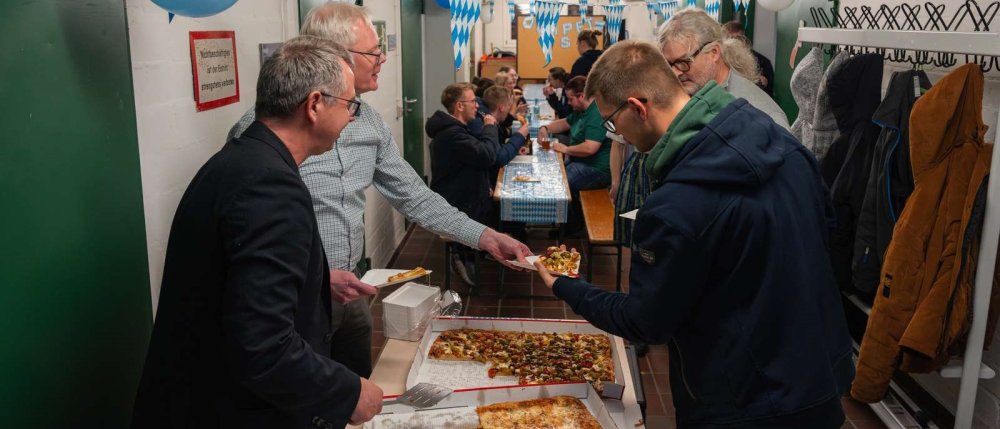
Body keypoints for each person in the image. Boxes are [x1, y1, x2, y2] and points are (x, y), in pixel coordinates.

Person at [534, 40, 853, 428]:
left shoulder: (675, 205)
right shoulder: (780, 141)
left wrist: (567, 286)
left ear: (637, 108)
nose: (615, 132)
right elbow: (829, 235)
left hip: (743, 404)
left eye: (612, 122)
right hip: (818, 379)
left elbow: (645, 322)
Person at [227, 3, 531, 378]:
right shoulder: (264, 133)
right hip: (293, 301)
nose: (383, 58)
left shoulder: (368, 120)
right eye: (373, 51)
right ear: (335, 55)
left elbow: (414, 196)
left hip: (351, 290)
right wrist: (316, 281)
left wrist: (484, 237)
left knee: (357, 384)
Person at [131, 36, 383, 428]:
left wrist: (315, 278)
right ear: (315, 105)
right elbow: (262, 346)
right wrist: (347, 392)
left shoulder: (240, 159)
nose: (353, 117)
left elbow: (231, 278)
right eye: (350, 104)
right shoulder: (271, 188)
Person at [659, 8, 789, 128]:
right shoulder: (684, 95)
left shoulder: (764, 115)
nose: (675, 73)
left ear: (714, 52)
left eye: (683, 62)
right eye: (668, 65)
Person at [536, 76, 612, 196]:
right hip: (581, 163)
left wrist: (566, 149)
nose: (569, 103)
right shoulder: (581, 110)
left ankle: (566, 213)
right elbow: (565, 123)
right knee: (553, 172)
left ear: (581, 96)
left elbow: (590, 148)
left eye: (571, 99)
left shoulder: (597, 113)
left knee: (558, 185)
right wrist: (545, 128)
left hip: (597, 170)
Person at [723, 20, 775, 97]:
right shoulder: (718, 60)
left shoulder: (763, 62)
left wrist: (760, 83)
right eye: (731, 38)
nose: (734, 42)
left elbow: (769, 92)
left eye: (738, 38)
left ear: (744, 39)